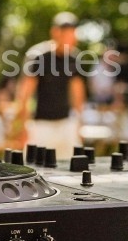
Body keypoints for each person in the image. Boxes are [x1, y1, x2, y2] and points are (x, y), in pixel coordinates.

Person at [14, 12, 86, 159]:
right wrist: (23, 127)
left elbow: (77, 92)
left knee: (71, 166)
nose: (70, 38)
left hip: (66, 123)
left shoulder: (74, 58)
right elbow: (25, 93)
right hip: (41, 124)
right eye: (66, 34)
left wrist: (79, 124)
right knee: (36, 166)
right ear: (55, 32)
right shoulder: (38, 56)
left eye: (72, 34)